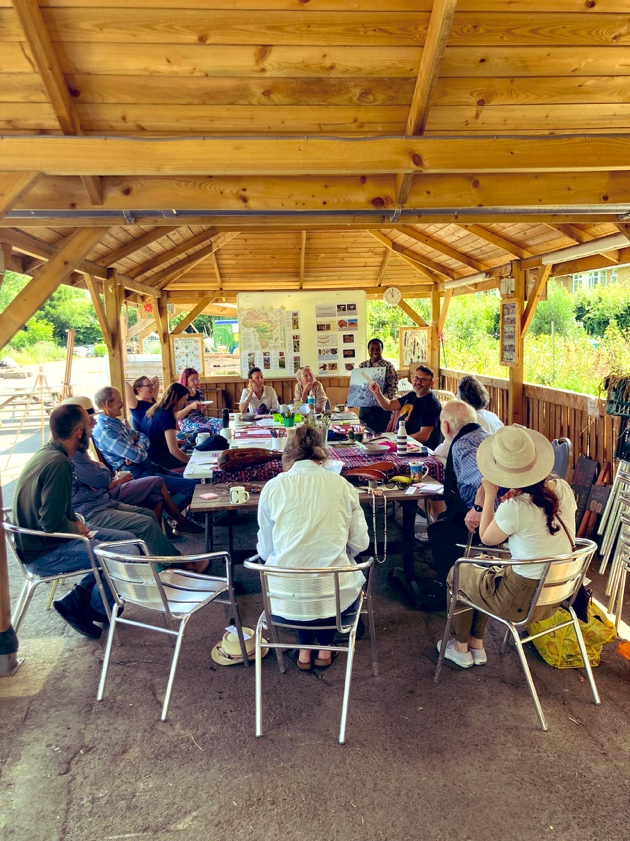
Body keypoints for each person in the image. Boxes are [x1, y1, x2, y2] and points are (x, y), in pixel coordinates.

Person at [438, 424, 577, 668]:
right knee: (483, 568)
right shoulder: (563, 489)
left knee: (459, 572)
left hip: (521, 600)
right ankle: (476, 645)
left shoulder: (515, 507)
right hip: (557, 596)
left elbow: (487, 538)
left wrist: (488, 495)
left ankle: (461, 648)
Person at [11, 404, 138, 639]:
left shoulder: (48, 452)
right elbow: (50, 523)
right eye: (89, 425)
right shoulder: (59, 464)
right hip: (45, 552)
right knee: (126, 552)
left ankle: (77, 598)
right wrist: (76, 527)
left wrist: (75, 526)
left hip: (46, 540)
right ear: (79, 432)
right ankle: (95, 609)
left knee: (132, 541)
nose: (93, 429)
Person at [256, 426, 369, 670]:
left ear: (288, 454)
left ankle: (304, 649)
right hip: (335, 596)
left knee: (300, 575)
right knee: (330, 575)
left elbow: (265, 552)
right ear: (322, 455)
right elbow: (361, 543)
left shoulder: (272, 488)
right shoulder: (342, 486)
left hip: (283, 597)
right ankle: (324, 649)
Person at [62, 395, 180, 558]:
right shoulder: (74, 452)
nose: (95, 423)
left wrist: (134, 447)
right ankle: (174, 558)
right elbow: (103, 480)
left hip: (102, 497)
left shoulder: (78, 447)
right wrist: (103, 468)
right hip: (92, 509)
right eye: (91, 420)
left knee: (153, 501)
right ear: (78, 428)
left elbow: (143, 439)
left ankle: (160, 556)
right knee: (150, 510)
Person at [92, 386, 202, 535]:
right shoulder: (105, 430)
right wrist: (135, 448)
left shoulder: (115, 423)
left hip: (148, 465)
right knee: (193, 487)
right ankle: (171, 517)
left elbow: (143, 438)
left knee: (195, 482)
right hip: (134, 473)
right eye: (119, 401)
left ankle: (172, 515)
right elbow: (137, 455)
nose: (123, 404)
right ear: (107, 404)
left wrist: (136, 446)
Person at [424, 400, 491, 607]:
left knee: (438, 531)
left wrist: (478, 508)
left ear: (445, 426)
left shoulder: (463, 445)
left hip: (481, 519)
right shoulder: (483, 435)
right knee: (443, 519)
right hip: (495, 513)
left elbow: (486, 478)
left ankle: (449, 590)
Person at [368, 363, 442, 448]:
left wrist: (398, 440)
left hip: (420, 449)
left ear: (431, 383)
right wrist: (377, 393)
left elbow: (423, 436)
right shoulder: (412, 395)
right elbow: (389, 405)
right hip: (404, 443)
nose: (418, 382)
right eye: (416, 378)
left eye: (423, 380)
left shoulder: (432, 403)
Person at [141, 383, 192, 470]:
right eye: (184, 400)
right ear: (176, 399)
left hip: (149, 458)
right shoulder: (167, 415)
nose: (185, 403)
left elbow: (156, 436)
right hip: (161, 463)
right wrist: (192, 462)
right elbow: (173, 450)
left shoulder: (153, 410)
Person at [358, 338, 398, 433]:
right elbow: (359, 385)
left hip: (382, 408)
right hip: (365, 407)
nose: (375, 352)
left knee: (380, 434)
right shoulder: (362, 366)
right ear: (368, 350)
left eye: (378, 349)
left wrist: (383, 399)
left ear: (381, 351)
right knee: (364, 432)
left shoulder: (388, 366)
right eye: (372, 349)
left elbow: (394, 386)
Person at [175, 367, 222, 437]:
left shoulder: (199, 393)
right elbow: (177, 416)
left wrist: (203, 410)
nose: (196, 382)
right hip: (187, 421)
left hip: (201, 419)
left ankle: (218, 443)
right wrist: (190, 407)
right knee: (205, 428)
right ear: (185, 380)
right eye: (193, 380)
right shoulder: (179, 395)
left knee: (222, 422)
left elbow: (203, 414)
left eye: (197, 379)